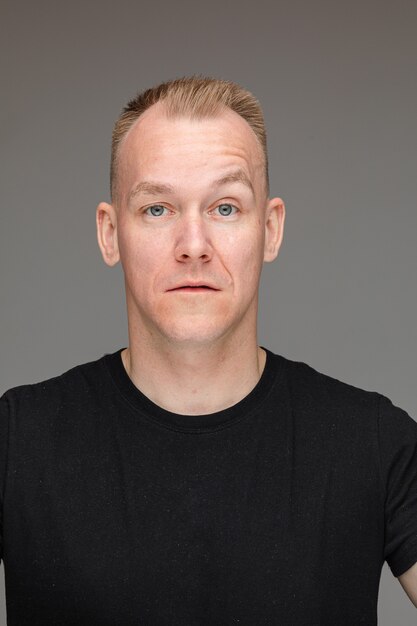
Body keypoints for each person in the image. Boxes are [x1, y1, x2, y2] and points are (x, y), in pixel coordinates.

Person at [0, 76, 416, 625]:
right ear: (109, 233)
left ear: (269, 229)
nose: (193, 246)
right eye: (157, 209)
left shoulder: (375, 442)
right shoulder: (16, 442)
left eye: (224, 208)